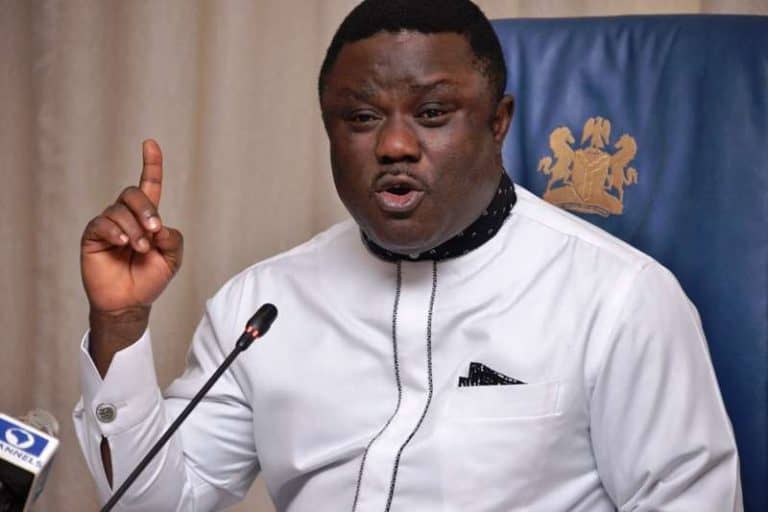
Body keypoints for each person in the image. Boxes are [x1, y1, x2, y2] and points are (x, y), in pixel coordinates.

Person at [73, 0, 742, 510]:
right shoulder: (261, 306)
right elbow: (156, 502)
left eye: (432, 113)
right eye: (362, 118)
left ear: (498, 122)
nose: (394, 145)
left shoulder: (620, 299)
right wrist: (120, 326)